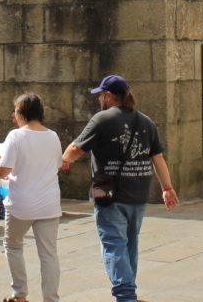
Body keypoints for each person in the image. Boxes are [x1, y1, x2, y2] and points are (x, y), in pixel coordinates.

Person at [61, 75, 179, 302]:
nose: (100, 99)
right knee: (130, 243)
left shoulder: (102, 119)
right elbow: (159, 158)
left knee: (114, 244)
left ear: (108, 96)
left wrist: (64, 159)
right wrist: (167, 188)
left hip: (110, 195)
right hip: (139, 193)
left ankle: (126, 295)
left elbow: (76, 149)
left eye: (101, 95)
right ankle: (129, 290)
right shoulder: (146, 121)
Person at [0, 93, 62, 302]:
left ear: (21, 113)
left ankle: (20, 294)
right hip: (49, 203)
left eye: (15, 111)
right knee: (49, 254)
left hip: (22, 203)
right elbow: (56, 164)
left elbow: (4, 169)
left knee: (12, 245)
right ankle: (51, 299)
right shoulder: (53, 136)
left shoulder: (16, 136)